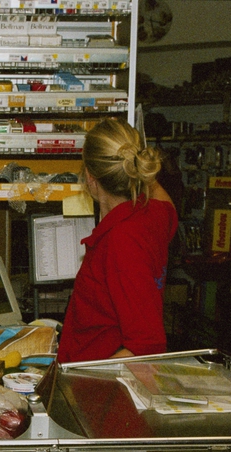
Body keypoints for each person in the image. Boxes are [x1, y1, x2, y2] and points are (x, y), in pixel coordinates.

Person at [56, 117, 178, 363]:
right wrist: (141, 172)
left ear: (89, 176)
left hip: (95, 382)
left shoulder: (120, 241)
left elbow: (147, 346)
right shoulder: (154, 215)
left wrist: (77, 377)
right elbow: (168, 204)